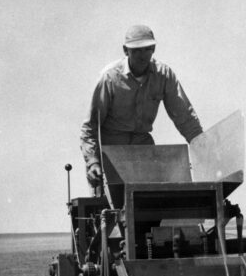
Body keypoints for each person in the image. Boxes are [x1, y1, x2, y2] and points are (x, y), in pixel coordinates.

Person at [80, 25, 204, 190]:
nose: (142, 55)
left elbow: (185, 118)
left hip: (143, 149)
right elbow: (90, 127)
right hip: (110, 152)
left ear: (153, 49)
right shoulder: (109, 78)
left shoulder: (164, 75)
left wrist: (203, 149)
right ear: (126, 51)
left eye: (147, 49)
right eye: (136, 50)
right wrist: (93, 163)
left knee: (153, 203)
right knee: (110, 211)